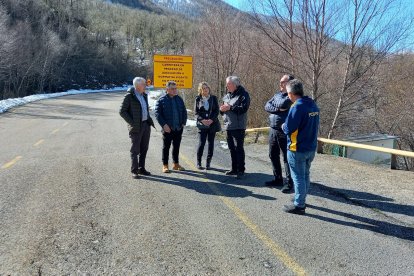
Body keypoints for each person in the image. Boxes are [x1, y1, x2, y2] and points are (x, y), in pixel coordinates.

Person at [282, 79, 320, 214]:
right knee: (305, 175)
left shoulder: (297, 107)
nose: (287, 96)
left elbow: (288, 128)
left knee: (298, 177)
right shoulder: (312, 104)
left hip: (296, 148)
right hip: (310, 147)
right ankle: (301, 197)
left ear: (292, 93)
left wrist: (283, 126)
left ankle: (299, 205)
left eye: (288, 93)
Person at [264, 74, 295, 193]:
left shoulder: (291, 97)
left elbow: (283, 104)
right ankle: (277, 178)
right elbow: (266, 105)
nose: (280, 84)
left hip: (284, 131)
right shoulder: (277, 95)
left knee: (287, 158)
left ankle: (289, 183)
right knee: (273, 154)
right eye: (280, 82)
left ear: (290, 84)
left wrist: (276, 105)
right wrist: (277, 109)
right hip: (273, 130)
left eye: (283, 82)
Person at [119, 77, 155, 179]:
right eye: (144, 84)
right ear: (138, 85)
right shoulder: (129, 96)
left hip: (145, 125)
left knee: (144, 148)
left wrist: (148, 120)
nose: (145, 85)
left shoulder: (144, 95)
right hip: (136, 127)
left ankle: (141, 168)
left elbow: (145, 110)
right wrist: (133, 123)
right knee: (135, 149)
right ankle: (134, 170)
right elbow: (122, 111)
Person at [220, 76, 250, 179]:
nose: (227, 86)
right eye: (227, 84)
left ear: (235, 85)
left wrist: (230, 107)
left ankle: (241, 170)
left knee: (239, 148)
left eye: (229, 84)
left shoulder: (243, 95)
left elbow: (244, 108)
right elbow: (223, 110)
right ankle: (234, 169)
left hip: (238, 126)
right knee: (231, 148)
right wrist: (222, 110)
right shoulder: (227, 96)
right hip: (228, 126)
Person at [155, 81, 188, 173]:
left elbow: (184, 112)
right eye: (172, 88)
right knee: (166, 147)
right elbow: (157, 114)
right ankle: (165, 165)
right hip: (167, 129)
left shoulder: (179, 99)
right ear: (167, 89)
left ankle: (176, 164)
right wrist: (164, 125)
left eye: (175, 88)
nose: (174, 90)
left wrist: (183, 123)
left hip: (178, 128)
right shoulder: (161, 100)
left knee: (176, 147)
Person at [194, 82, 221, 170]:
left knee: (211, 143)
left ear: (209, 88)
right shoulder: (198, 99)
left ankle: (208, 163)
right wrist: (202, 120)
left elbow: (216, 111)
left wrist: (211, 120)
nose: (205, 89)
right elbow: (196, 113)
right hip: (202, 125)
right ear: (200, 90)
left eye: (206, 88)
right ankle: (199, 163)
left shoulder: (214, 98)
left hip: (212, 124)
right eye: (203, 88)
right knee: (201, 143)